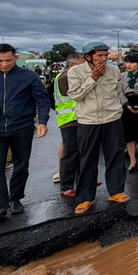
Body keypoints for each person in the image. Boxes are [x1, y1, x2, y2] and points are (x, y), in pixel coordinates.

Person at [0, 43, 50, 225]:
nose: (4, 64)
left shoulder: (29, 77)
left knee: (21, 165)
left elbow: (42, 100)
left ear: (16, 58)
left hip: (22, 127)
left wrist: (42, 122)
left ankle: (15, 198)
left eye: (8, 60)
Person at [67, 40, 130, 214]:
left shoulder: (114, 71)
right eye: (99, 56)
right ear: (88, 57)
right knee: (87, 159)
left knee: (115, 156)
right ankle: (86, 198)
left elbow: (119, 93)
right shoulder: (76, 72)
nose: (104, 59)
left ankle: (116, 192)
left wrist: (123, 108)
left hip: (112, 119)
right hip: (88, 121)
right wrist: (93, 77)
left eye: (105, 55)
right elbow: (76, 95)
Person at [54, 51, 86, 198]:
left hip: (79, 119)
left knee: (81, 152)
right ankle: (66, 186)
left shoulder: (68, 75)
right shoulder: (66, 77)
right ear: (72, 65)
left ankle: (82, 180)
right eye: (82, 65)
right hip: (70, 120)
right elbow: (78, 93)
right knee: (71, 153)